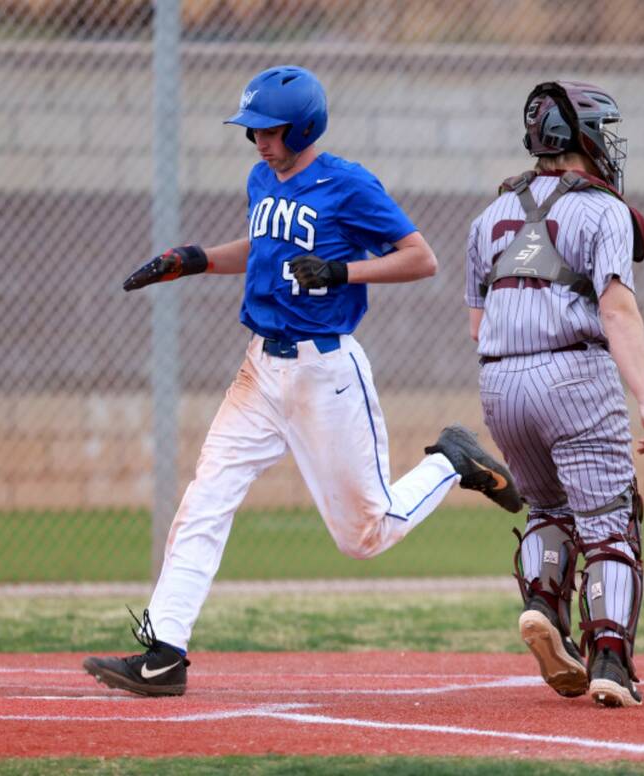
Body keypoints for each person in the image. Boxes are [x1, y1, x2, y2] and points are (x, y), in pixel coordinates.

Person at [83, 65, 522, 697]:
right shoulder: (262, 178)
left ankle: (450, 462)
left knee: (364, 536)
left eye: (271, 131)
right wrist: (196, 260)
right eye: (253, 131)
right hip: (260, 370)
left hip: (325, 374)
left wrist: (342, 273)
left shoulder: (348, 184)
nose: (260, 142)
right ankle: (165, 652)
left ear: (304, 127)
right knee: (206, 497)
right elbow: (263, 248)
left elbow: (420, 258)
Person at [464, 80, 644, 707]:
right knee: (609, 525)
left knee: (547, 510)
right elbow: (617, 311)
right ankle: (609, 659)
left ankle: (542, 605)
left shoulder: (489, 216)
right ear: (583, 136)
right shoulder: (604, 210)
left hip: (500, 381)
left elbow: (477, 325)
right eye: (603, 131)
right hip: (573, 377)